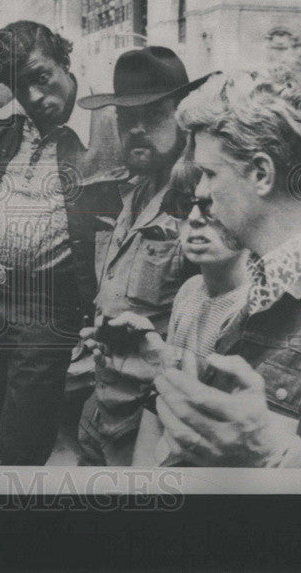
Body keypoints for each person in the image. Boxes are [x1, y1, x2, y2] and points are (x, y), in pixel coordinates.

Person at [152, 65, 301, 467]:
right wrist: (161, 371)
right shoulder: (269, 278)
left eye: (208, 173)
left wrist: (274, 454)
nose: (200, 193)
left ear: (261, 172)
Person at [0, 21, 119, 465]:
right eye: (17, 86)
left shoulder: (108, 126)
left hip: (46, 306)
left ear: (65, 62)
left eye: (39, 77)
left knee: (20, 451)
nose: (31, 97)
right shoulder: (4, 120)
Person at [74, 47, 213, 466]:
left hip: (154, 428)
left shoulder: (200, 206)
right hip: (102, 410)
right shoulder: (127, 192)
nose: (136, 129)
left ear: (181, 117)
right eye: (124, 118)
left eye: (152, 116)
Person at [102, 160, 253, 465]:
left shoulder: (252, 308)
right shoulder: (190, 291)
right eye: (183, 205)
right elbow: (162, 399)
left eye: (211, 205)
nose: (195, 219)